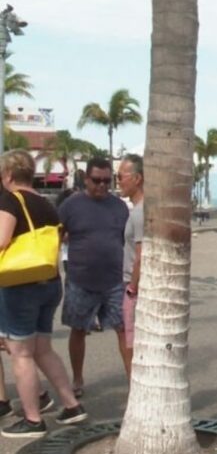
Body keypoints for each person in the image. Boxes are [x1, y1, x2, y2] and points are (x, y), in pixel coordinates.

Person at [0, 150, 87, 437]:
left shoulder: (11, 200)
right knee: (43, 349)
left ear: (9, 175)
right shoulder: (46, 203)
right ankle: (71, 405)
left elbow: (1, 241)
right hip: (49, 281)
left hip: (20, 284)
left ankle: (33, 419)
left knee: (20, 353)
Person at [58, 156, 131, 397]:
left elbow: (127, 241)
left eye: (107, 181)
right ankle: (78, 379)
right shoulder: (71, 205)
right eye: (96, 180)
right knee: (78, 331)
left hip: (114, 282)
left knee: (124, 331)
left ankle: (133, 382)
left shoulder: (120, 207)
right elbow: (56, 237)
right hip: (80, 280)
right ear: (86, 179)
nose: (101, 185)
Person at [118, 154, 143, 377]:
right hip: (131, 284)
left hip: (133, 287)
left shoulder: (139, 213)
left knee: (132, 344)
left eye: (121, 177)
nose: (119, 182)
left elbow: (140, 255)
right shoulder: (137, 211)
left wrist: (132, 288)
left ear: (136, 178)